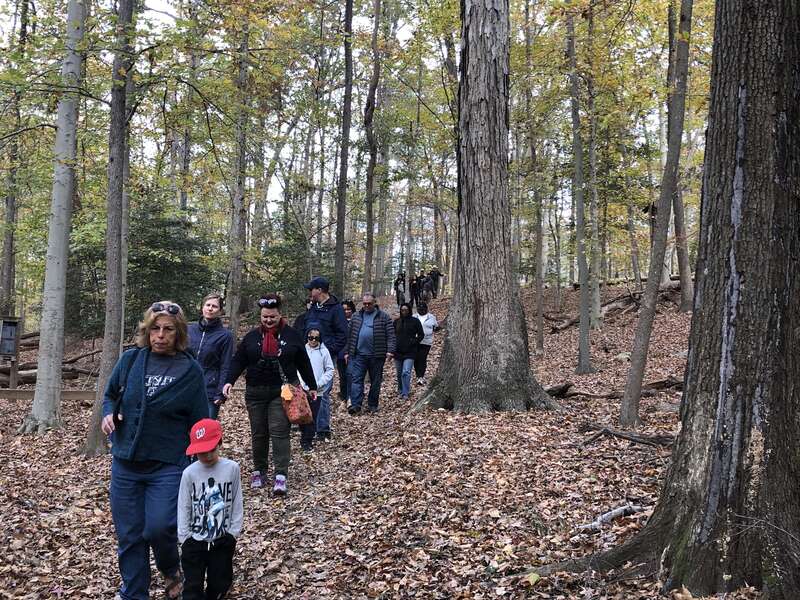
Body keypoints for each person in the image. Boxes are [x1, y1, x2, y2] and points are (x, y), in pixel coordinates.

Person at [101, 301, 208, 600]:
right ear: (147, 332)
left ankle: (170, 567)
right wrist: (108, 414)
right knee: (130, 535)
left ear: (179, 333)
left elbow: (202, 420)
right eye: (155, 329)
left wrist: (205, 457)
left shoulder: (190, 370)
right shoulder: (131, 360)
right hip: (126, 463)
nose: (160, 335)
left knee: (160, 528)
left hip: (168, 464)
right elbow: (110, 395)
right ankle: (134, 593)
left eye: (167, 330)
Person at [222, 294, 317, 496]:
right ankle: (259, 470)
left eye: (272, 317)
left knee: (279, 430)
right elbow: (239, 360)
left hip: (282, 392)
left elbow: (303, 362)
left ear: (279, 314)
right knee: (259, 432)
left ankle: (281, 474)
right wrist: (229, 380)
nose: (268, 320)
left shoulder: (291, 336)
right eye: (265, 317)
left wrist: (312, 385)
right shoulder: (252, 337)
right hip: (255, 392)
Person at [178, 419, 243, 600]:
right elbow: (184, 505)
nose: (206, 456)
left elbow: (237, 501)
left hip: (222, 540)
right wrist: (184, 538)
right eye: (201, 452)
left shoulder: (232, 469)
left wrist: (233, 533)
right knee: (192, 587)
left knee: (219, 585)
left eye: (211, 450)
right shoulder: (189, 473)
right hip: (194, 541)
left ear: (220, 442)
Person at [301, 276, 347, 433]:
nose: (309, 292)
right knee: (306, 388)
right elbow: (306, 326)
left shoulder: (336, 309)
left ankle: (322, 428)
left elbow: (342, 335)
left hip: (325, 356)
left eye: (311, 289)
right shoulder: (313, 307)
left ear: (319, 290)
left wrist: (328, 351)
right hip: (307, 354)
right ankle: (307, 423)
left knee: (323, 392)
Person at [344, 293, 396, 415]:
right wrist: (347, 351)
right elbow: (349, 336)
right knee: (356, 379)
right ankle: (356, 405)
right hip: (358, 355)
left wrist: (390, 350)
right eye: (365, 303)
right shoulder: (356, 316)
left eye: (369, 303)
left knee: (375, 381)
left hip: (377, 355)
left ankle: (373, 404)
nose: (367, 306)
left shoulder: (383, 317)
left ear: (374, 303)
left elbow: (391, 335)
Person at [188, 293, 234, 419]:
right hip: (186, 387)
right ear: (202, 307)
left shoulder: (225, 336)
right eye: (207, 305)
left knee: (205, 432)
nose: (210, 308)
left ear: (220, 311)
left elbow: (226, 365)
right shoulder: (189, 330)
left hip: (209, 390)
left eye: (214, 306)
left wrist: (220, 394)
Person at [299, 328, 335, 449]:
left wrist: (319, 383)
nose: (313, 340)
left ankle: (307, 441)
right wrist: (303, 384)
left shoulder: (324, 352)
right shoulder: (302, 350)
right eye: (311, 337)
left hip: (317, 390)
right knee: (302, 415)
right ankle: (304, 436)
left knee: (313, 416)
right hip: (302, 389)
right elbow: (297, 368)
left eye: (316, 338)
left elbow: (330, 370)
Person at [394, 303, 424, 402]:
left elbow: (421, 335)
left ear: (409, 310)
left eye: (406, 310)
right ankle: (400, 389)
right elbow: (392, 335)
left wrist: (414, 341)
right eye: (402, 310)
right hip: (398, 352)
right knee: (399, 373)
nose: (404, 312)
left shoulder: (415, 321)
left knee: (406, 372)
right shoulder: (396, 322)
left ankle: (405, 393)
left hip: (410, 352)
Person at [414, 302, 440, 385]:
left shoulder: (431, 317)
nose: (421, 309)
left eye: (423, 308)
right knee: (416, 358)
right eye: (419, 308)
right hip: (415, 341)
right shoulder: (414, 316)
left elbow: (436, 327)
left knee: (422, 358)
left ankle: (420, 376)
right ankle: (418, 374)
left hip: (426, 341)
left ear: (426, 309)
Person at [337, 300, 356, 404]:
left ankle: (351, 396)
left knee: (352, 375)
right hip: (340, 353)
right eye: (344, 310)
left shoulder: (356, 320)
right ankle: (344, 396)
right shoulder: (337, 322)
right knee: (342, 376)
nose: (346, 312)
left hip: (353, 353)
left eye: (348, 309)